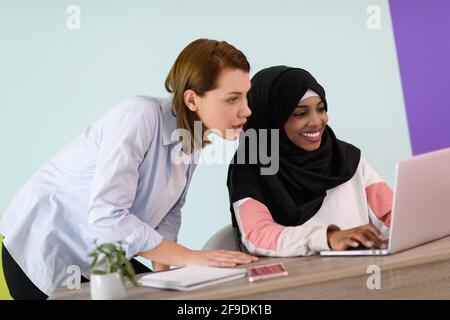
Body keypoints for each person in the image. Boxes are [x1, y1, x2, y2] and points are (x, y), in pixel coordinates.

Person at [0, 38, 257, 300]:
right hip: (45, 247)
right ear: (192, 100)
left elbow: (170, 212)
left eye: (246, 95)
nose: (246, 109)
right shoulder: (139, 115)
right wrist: (190, 258)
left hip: (100, 255)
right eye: (233, 99)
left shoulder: (193, 138)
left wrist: (167, 277)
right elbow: (108, 215)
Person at [227, 66, 392, 257]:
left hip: (359, 272)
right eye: (300, 113)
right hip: (297, 282)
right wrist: (327, 238)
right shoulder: (250, 167)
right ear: (272, 120)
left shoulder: (346, 157)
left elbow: (391, 217)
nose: (316, 121)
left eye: (321, 109)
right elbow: (259, 235)